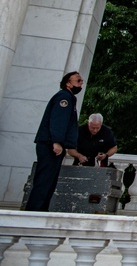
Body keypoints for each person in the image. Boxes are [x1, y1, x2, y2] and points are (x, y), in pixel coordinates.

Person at [25, 71, 85, 211]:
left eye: (81, 81)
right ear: (68, 84)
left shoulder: (69, 98)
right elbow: (58, 121)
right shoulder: (64, 97)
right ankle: (34, 210)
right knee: (44, 180)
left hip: (52, 144)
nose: (81, 83)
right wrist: (57, 142)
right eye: (77, 81)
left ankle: (40, 209)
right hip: (49, 144)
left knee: (49, 180)